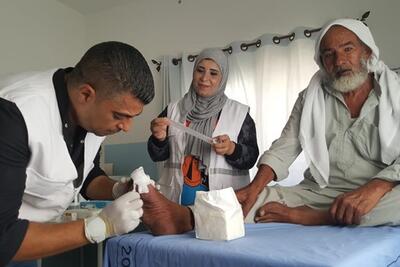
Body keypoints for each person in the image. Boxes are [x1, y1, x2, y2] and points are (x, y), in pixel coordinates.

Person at [139, 18, 400, 236]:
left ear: (367, 52)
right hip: (321, 192)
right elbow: (284, 147)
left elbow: (247, 155)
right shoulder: (310, 97)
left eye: (348, 49)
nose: (339, 60)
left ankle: (312, 217)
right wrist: (255, 188)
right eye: (329, 54)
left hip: (382, 190)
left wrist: (377, 186)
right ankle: (184, 218)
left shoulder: (394, 93)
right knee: (255, 200)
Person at [0, 41, 154, 266]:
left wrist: (116, 189)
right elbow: (3, 239)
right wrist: (100, 226)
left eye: (132, 117)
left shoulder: (93, 116)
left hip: (24, 240)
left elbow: (85, 175)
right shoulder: (15, 115)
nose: (126, 127)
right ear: (85, 94)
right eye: (119, 116)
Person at [147, 48, 258, 205]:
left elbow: (251, 158)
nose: (204, 78)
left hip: (222, 206)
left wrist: (232, 149)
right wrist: (159, 139)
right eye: (200, 70)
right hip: (176, 203)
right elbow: (157, 156)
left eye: (213, 73)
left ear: (223, 78)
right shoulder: (173, 110)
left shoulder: (238, 113)